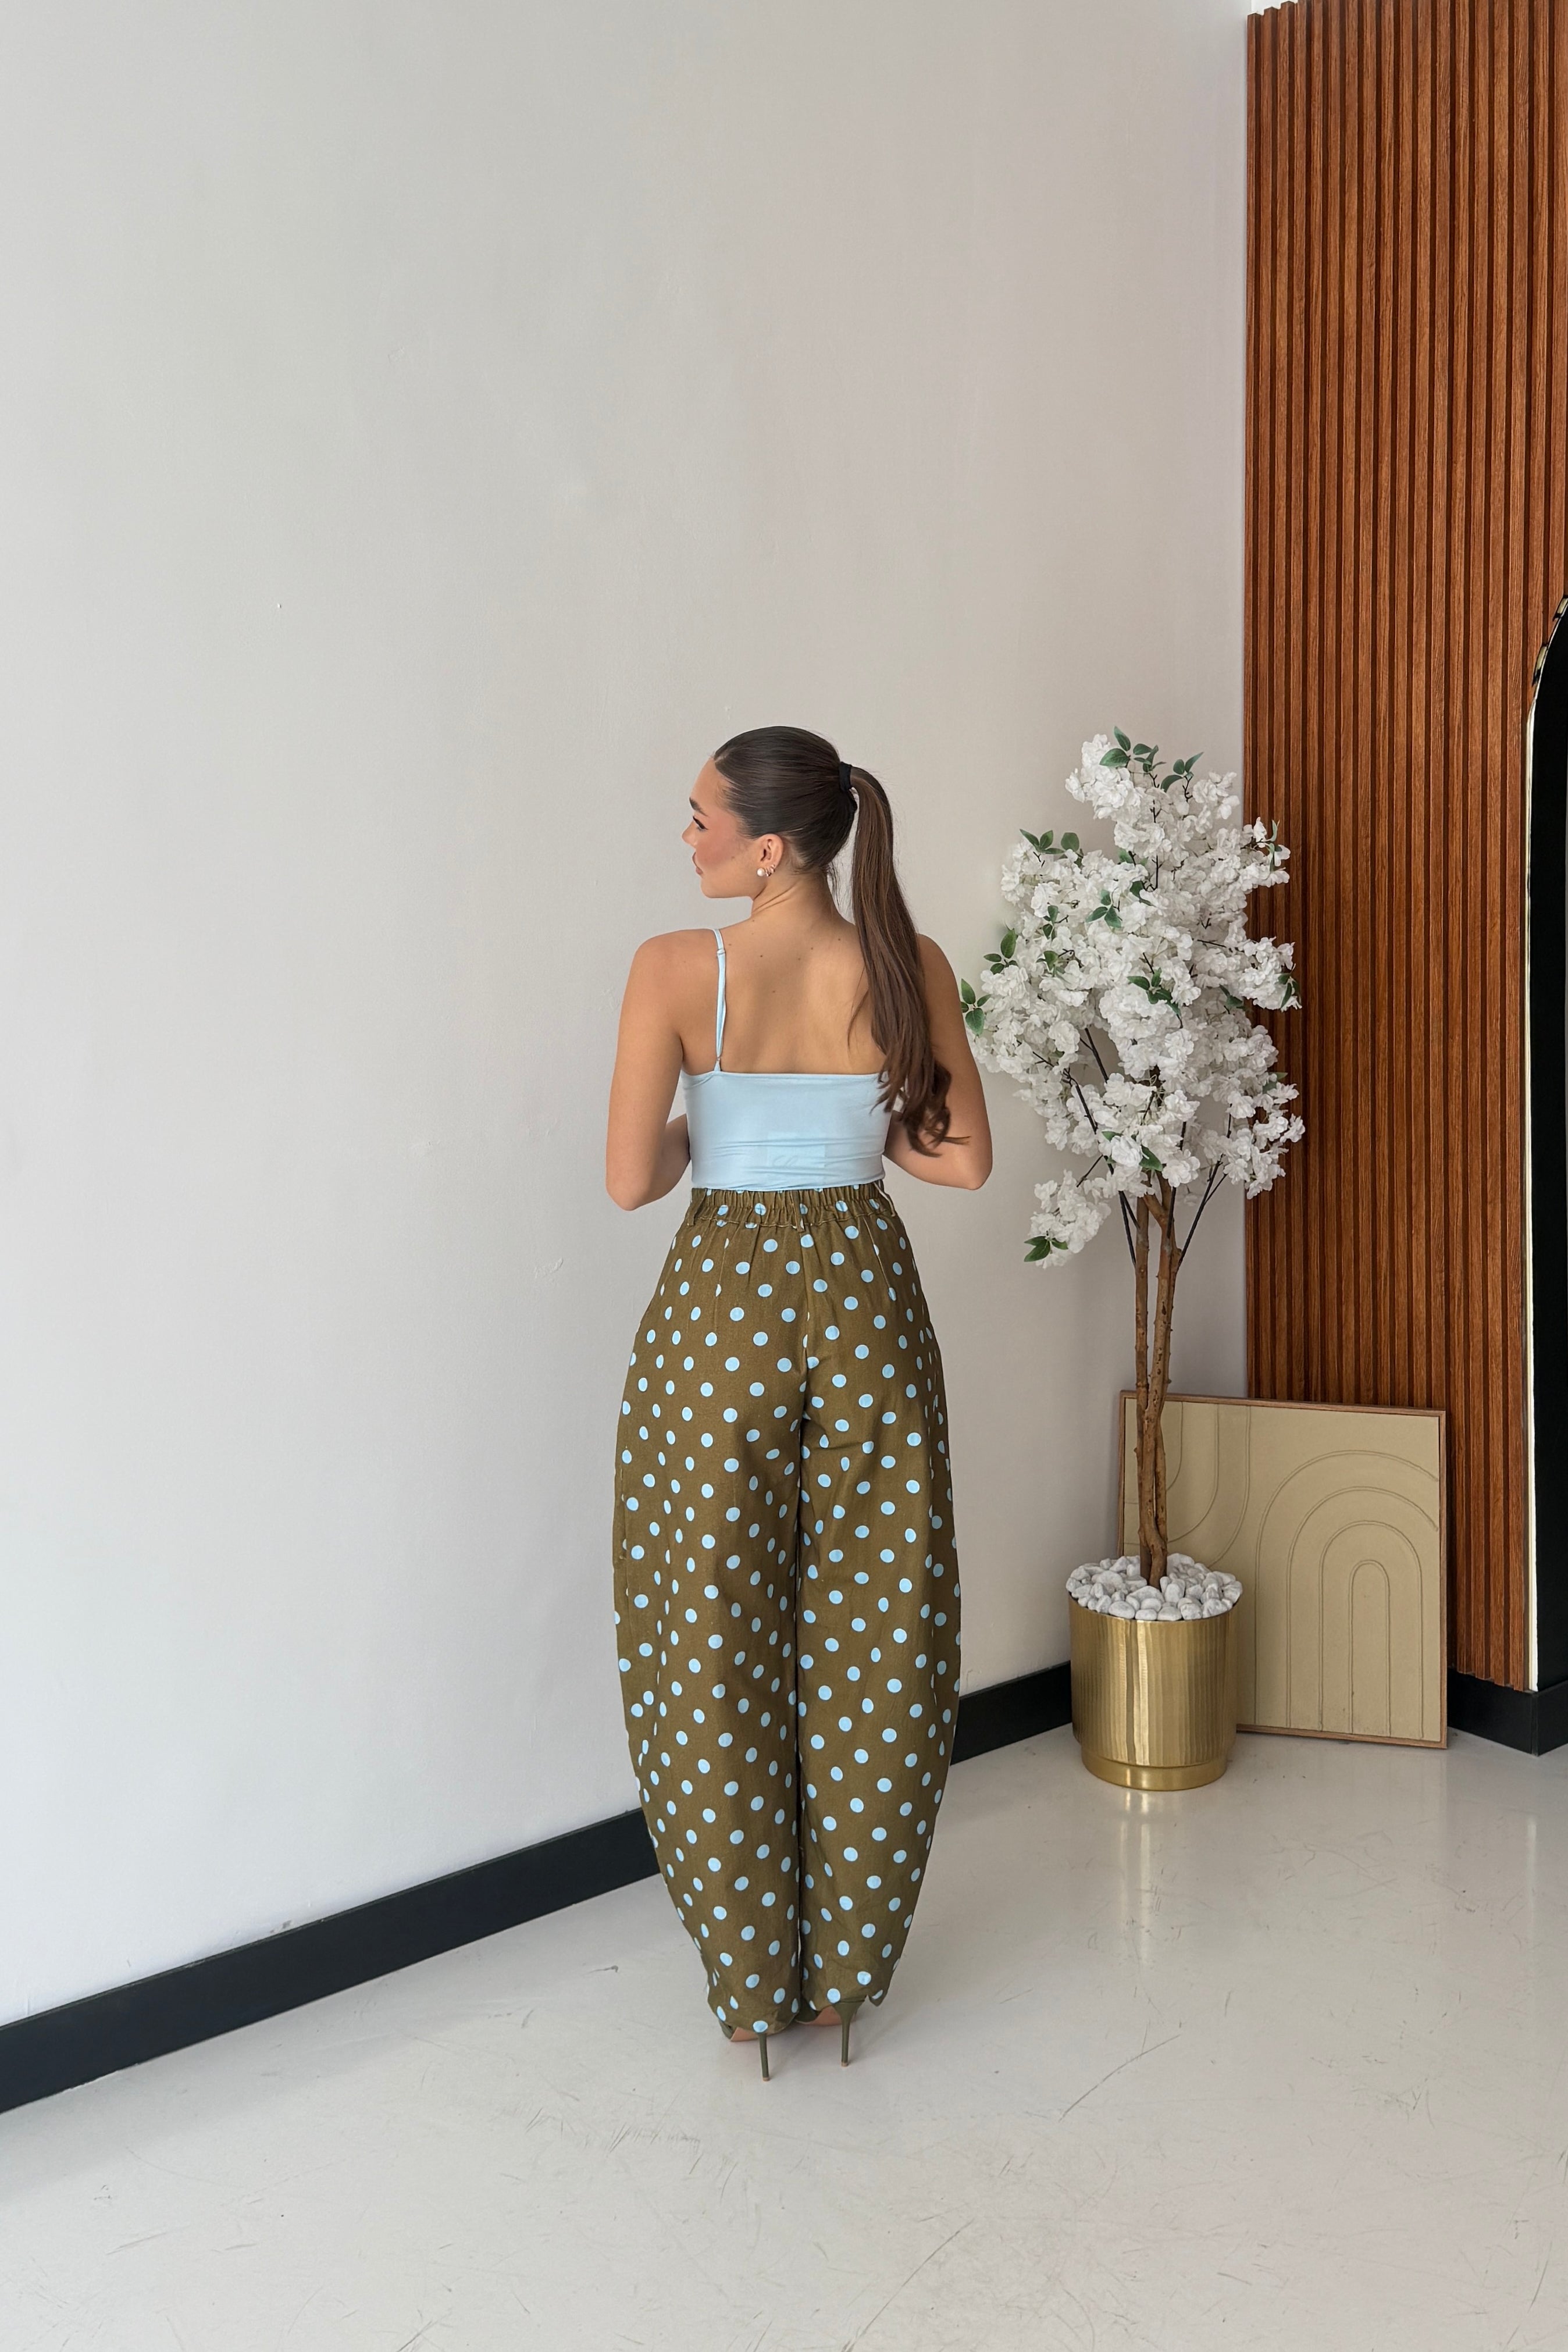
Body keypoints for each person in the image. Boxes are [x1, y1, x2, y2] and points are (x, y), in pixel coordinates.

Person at [605, 725, 992, 2077]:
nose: (689, 839)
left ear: (768, 847)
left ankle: (748, 1979)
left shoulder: (674, 968)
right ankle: (846, 1976)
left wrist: (717, 1124)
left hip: (721, 1312)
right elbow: (957, 1163)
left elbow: (631, 1181)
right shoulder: (907, 963)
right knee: (879, 1621)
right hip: (866, 1296)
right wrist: (842, 1121)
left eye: (702, 820)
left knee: (709, 1628)